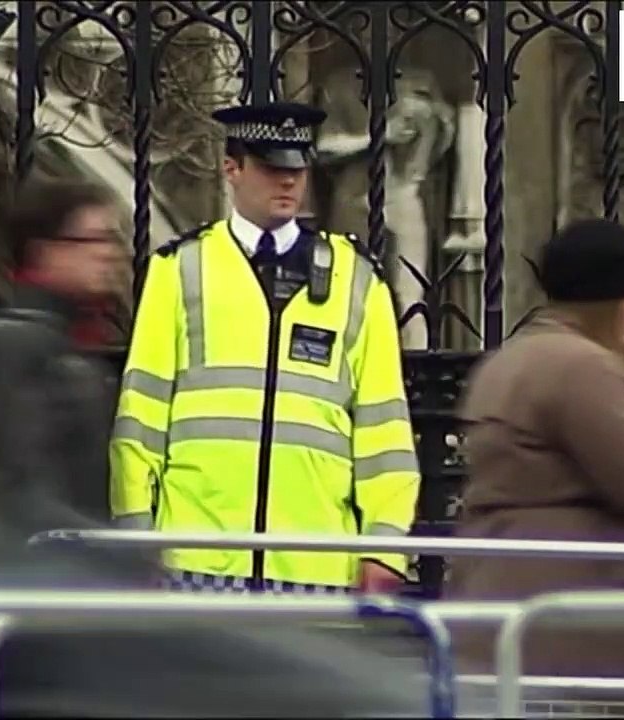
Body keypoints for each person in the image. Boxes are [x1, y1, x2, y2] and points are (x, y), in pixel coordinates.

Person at [109, 101, 421, 594]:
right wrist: (136, 533)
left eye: (298, 169)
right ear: (231, 169)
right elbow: (140, 420)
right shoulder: (178, 270)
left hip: (315, 560)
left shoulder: (357, 280)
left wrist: (383, 547)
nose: (289, 182)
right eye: (273, 168)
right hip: (196, 554)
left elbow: (383, 429)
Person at [445, 219, 624, 681]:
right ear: (605, 298)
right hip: (568, 620)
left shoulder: (509, 359)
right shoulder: (584, 366)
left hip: (502, 599)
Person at [0, 178, 126, 535]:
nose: (109, 252)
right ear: (44, 251)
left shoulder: (75, 341)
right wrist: (115, 551)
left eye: (112, 238)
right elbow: (15, 488)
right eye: (92, 239)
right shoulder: (15, 345)